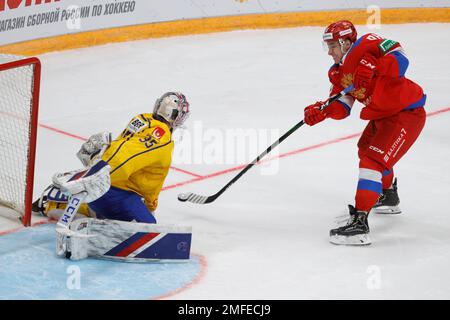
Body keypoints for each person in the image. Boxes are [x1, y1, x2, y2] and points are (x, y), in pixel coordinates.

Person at [303, 20, 426, 245]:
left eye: (332, 46)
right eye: (327, 47)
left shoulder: (368, 44)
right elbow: (343, 107)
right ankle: (388, 196)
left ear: (346, 42)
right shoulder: (337, 73)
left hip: (405, 114)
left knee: (372, 161)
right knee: (365, 150)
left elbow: (402, 60)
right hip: (383, 116)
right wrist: (323, 111)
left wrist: (374, 65)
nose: (329, 52)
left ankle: (360, 224)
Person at [33, 92, 190, 224]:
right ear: (173, 116)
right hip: (109, 188)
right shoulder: (161, 137)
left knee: (127, 208)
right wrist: (97, 177)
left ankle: (56, 203)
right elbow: (127, 156)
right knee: (148, 227)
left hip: (105, 186)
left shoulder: (144, 119)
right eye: (181, 116)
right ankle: (87, 209)